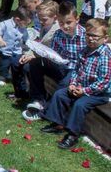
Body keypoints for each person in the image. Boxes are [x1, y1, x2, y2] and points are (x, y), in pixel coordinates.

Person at [37, 19, 111, 149]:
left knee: (80, 104)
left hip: (98, 93)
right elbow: (77, 70)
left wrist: (85, 91)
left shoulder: (105, 55)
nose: (91, 39)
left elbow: (104, 82)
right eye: (88, 35)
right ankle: (57, 123)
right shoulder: (84, 51)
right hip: (80, 87)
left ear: (105, 39)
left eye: (95, 36)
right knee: (60, 94)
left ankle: (72, 134)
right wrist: (73, 83)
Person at [22, 1, 86, 119]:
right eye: (61, 23)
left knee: (62, 88)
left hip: (75, 70)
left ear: (77, 19)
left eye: (69, 22)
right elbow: (53, 53)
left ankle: (43, 113)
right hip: (60, 65)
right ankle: (39, 100)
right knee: (34, 64)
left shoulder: (85, 36)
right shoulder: (58, 33)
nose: (65, 26)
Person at [0, 7, 31, 97]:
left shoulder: (23, 28)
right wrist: (0, 40)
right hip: (5, 50)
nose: (25, 25)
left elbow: (26, 39)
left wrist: (28, 46)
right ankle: (2, 77)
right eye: (25, 23)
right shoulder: (5, 24)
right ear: (17, 19)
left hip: (17, 51)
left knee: (16, 65)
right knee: (3, 64)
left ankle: (13, 76)